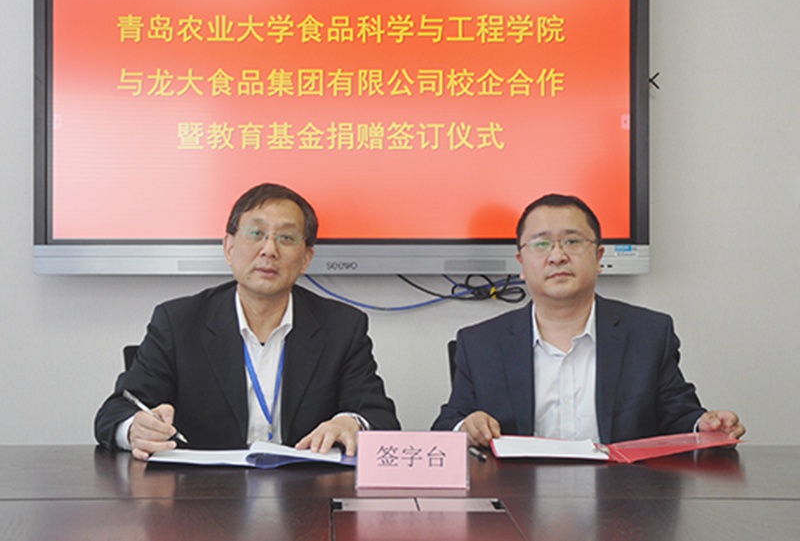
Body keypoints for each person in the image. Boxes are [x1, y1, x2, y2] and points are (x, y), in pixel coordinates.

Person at [95, 183, 400, 460]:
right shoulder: (179, 323)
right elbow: (115, 412)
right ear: (229, 247)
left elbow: (380, 418)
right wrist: (134, 429)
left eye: (286, 238)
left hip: (306, 493)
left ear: (306, 258)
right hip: (201, 494)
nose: (269, 250)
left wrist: (351, 423)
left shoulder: (342, 327)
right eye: (256, 233)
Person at [432, 193, 744, 447]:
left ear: (598, 258)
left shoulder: (648, 334)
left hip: (623, 499)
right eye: (541, 244)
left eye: (572, 241)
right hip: (519, 498)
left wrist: (705, 425)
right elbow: (447, 425)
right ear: (521, 264)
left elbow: (678, 416)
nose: (557, 256)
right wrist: (466, 427)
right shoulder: (481, 344)